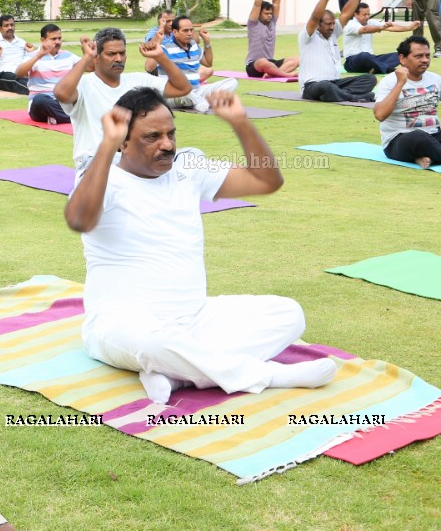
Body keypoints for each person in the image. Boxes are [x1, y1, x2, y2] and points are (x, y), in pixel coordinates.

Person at [65, 87, 336, 406]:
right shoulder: (103, 179)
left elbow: (267, 181)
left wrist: (240, 122)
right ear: (123, 141)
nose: (167, 144)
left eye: (171, 133)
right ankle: (268, 375)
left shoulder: (187, 169)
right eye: (152, 136)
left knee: (288, 314)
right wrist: (105, 146)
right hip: (123, 324)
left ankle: (176, 375)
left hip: (196, 317)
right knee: (155, 342)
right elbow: (79, 220)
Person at [54, 27, 191, 169]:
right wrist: (86, 58)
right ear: (97, 56)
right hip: (94, 162)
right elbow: (61, 94)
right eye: (111, 54)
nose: (118, 59)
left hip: (134, 161)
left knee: (191, 155)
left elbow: (182, 88)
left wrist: (160, 57)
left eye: (122, 53)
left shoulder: (138, 80)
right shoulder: (83, 84)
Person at [298, 0, 376, 102]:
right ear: (318, 25)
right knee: (325, 86)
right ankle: (353, 97)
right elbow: (315, 16)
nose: (332, 27)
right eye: (328, 24)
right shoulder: (308, 36)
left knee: (370, 79)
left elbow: (346, 13)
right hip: (313, 86)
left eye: (334, 23)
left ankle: (338, 94)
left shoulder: (333, 33)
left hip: (335, 83)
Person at [373, 35, 441, 168]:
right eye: (418, 56)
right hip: (400, 140)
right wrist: (400, 83)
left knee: (426, 138)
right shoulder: (389, 82)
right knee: (419, 137)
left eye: (427, 56)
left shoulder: (435, 79)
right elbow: (380, 115)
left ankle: (426, 157)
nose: (425, 60)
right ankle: (430, 154)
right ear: (402, 59)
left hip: (434, 135)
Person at [160, 16, 237, 113]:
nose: (189, 33)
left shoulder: (193, 46)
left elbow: (208, 63)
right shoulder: (165, 47)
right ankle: (201, 102)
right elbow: (148, 67)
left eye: (191, 30)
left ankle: (199, 101)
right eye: (185, 31)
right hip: (175, 94)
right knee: (186, 91)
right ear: (175, 32)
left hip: (196, 90)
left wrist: (207, 41)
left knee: (232, 82)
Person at [16, 23, 77, 124]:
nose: (57, 42)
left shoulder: (68, 55)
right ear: (43, 40)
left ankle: (56, 116)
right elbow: (18, 73)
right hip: (41, 105)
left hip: (63, 102)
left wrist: (89, 54)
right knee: (40, 99)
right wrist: (38, 56)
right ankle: (74, 118)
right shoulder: (32, 56)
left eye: (59, 38)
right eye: (53, 39)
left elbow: (89, 67)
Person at [342, 0, 419, 75]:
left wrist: (408, 28)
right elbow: (365, 30)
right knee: (364, 55)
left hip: (371, 59)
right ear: (355, 14)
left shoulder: (370, 22)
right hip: (352, 62)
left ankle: (376, 68)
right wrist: (381, 27)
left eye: (368, 14)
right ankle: (388, 69)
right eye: (364, 15)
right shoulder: (350, 25)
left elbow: (390, 27)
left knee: (399, 55)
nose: (367, 17)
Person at [245, 0, 299, 78]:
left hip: (271, 63)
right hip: (254, 65)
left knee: (297, 60)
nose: (270, 16)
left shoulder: (272, 22)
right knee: (263, 62)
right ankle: (285, 75)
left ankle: (271, 74)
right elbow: (257, 4)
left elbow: (276, 2)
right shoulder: (253, 24)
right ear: (259, 14)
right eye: (266, 13)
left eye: (270, 13)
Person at [0, 14, 34, 94]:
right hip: (3, 76)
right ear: (0, 28)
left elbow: (29, 64)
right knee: (15, 79)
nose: (10, 28)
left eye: (12, 25)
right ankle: (37, 92)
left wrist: (30, 53)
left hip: (22, 75)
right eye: (6, 25)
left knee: (36, 79)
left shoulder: (22, 42)